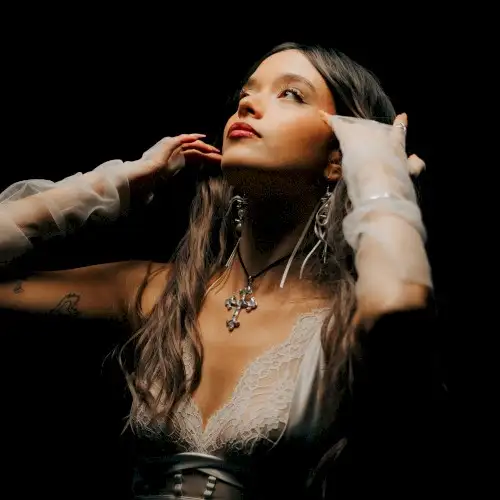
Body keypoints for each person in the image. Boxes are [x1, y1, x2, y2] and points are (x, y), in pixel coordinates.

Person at [0, 42, 436, 499]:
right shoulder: (156, 292)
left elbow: (398, 304)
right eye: (247, 93)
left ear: (339, 157)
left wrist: (381, 176)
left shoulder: (345, 320)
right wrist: (107, 187)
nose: (247, 104)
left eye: (290, 94)